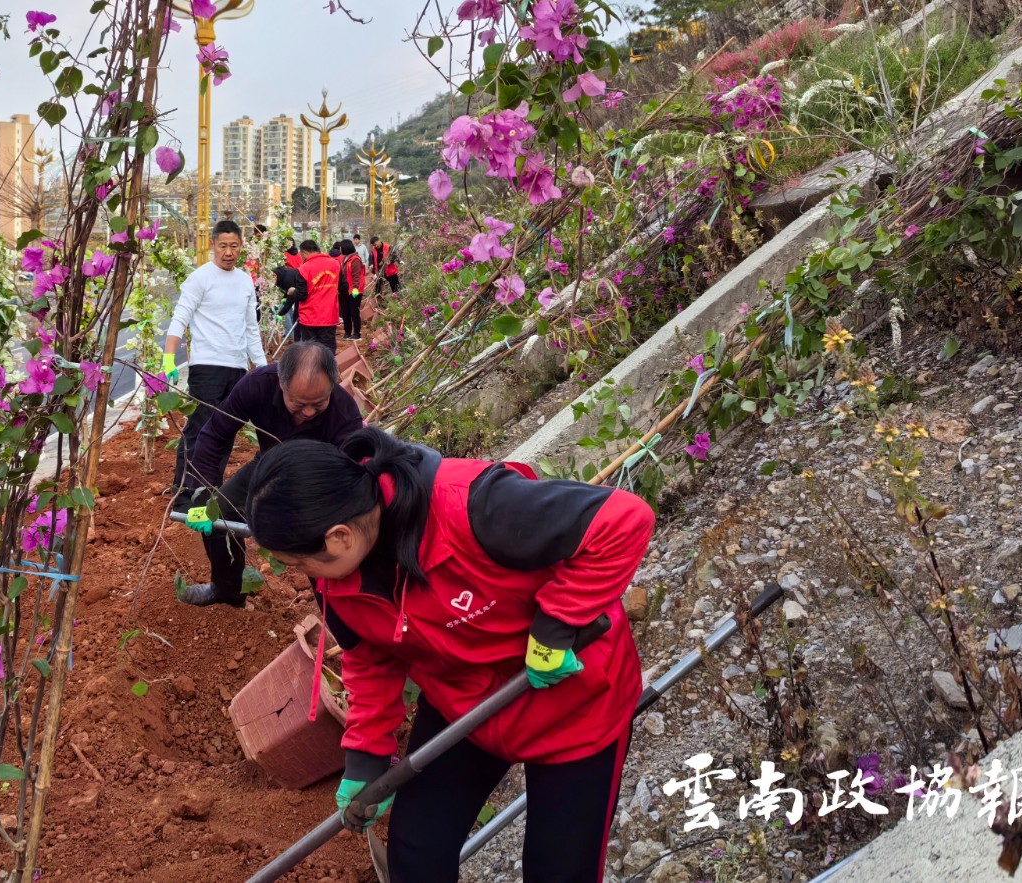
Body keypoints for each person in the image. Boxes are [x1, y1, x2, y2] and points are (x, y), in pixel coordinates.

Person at [244, 428, 654, 883]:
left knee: (558, 870)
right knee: (417, 850)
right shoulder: (334, 579)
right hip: (466, 707)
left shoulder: (474, 506)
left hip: (574, 704)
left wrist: (557, 624)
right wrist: (366, 756)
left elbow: (622, 520)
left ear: (339, 535)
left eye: (300, 563)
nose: (301, 574)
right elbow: (369, 659)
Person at [173, 342, 364, 607]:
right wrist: (204, 495)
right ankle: (228, 591)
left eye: (318, 404)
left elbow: (354, 474)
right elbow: (215, 434)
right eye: (298, 403)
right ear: (281, 384)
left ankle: (334, 610)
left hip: (319, 481)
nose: (308, 412)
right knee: (220, 515)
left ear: (332, 386)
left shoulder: (344, 414)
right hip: (270, 465)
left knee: (319, 541)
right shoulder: (258, 385)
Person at [164, 219, 268, 504]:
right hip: (207, 367)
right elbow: (180, 318)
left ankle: (210, 490)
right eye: (223, 246)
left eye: (234, 246)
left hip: (236, 369)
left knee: (225, 432)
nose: (228, 252)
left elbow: (250, 329)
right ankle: (184, 493)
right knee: (200, 429)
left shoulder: (245, 281)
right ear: (213, 246)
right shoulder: (201, 278)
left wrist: (262, 366)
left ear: (241, 247)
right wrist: (169, 358)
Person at [295, 239, 341, 352]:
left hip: (309, 317)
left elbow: (302, 295)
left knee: (310, 352)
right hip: (329, 315)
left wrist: (293, 291)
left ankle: (313, 370)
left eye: (301, 254)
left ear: (305, 252)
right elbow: (344, 287)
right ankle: (328, 369)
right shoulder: (335, 264)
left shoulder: (303, 269)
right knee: (328, 350)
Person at [337, 239, 368, 341]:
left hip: (354, 291)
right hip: (345, 290)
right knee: (345, 312)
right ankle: (347, 332)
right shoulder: (345, 259)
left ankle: (357, 333)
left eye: (341, 248)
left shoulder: (355, 259)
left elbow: (356, 276)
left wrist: (355, 290)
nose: (340, 250)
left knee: (354, 312)